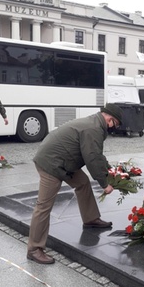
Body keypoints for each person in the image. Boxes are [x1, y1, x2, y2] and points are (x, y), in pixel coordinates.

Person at [26, 103, 123, 265]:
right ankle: (34, 249)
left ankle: (90, 219)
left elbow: (96, 155)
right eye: (116, 124)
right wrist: (105, 184)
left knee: (83, 183)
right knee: (43, 205)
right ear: (110, 119)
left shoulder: (95, 124)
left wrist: (110, 169)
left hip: (65, 161)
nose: (114, 128)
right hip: (51, 163)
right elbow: (91, 159)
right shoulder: (94, 129)